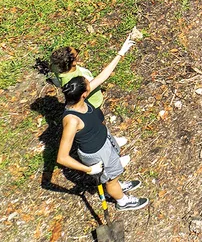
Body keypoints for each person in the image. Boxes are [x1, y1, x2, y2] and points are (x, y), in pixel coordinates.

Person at [55, 31, 148, 211]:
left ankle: (116, 185)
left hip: (104, 141)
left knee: (114, 174)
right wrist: (89, 170)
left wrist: (121, 51)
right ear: (84, 94)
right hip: (97, 154)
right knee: (110, 179)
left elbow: (104, 75)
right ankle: (122, 201)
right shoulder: (72, 120)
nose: (92, 83)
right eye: (88, 84)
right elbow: (62, 157)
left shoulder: (80, 101)